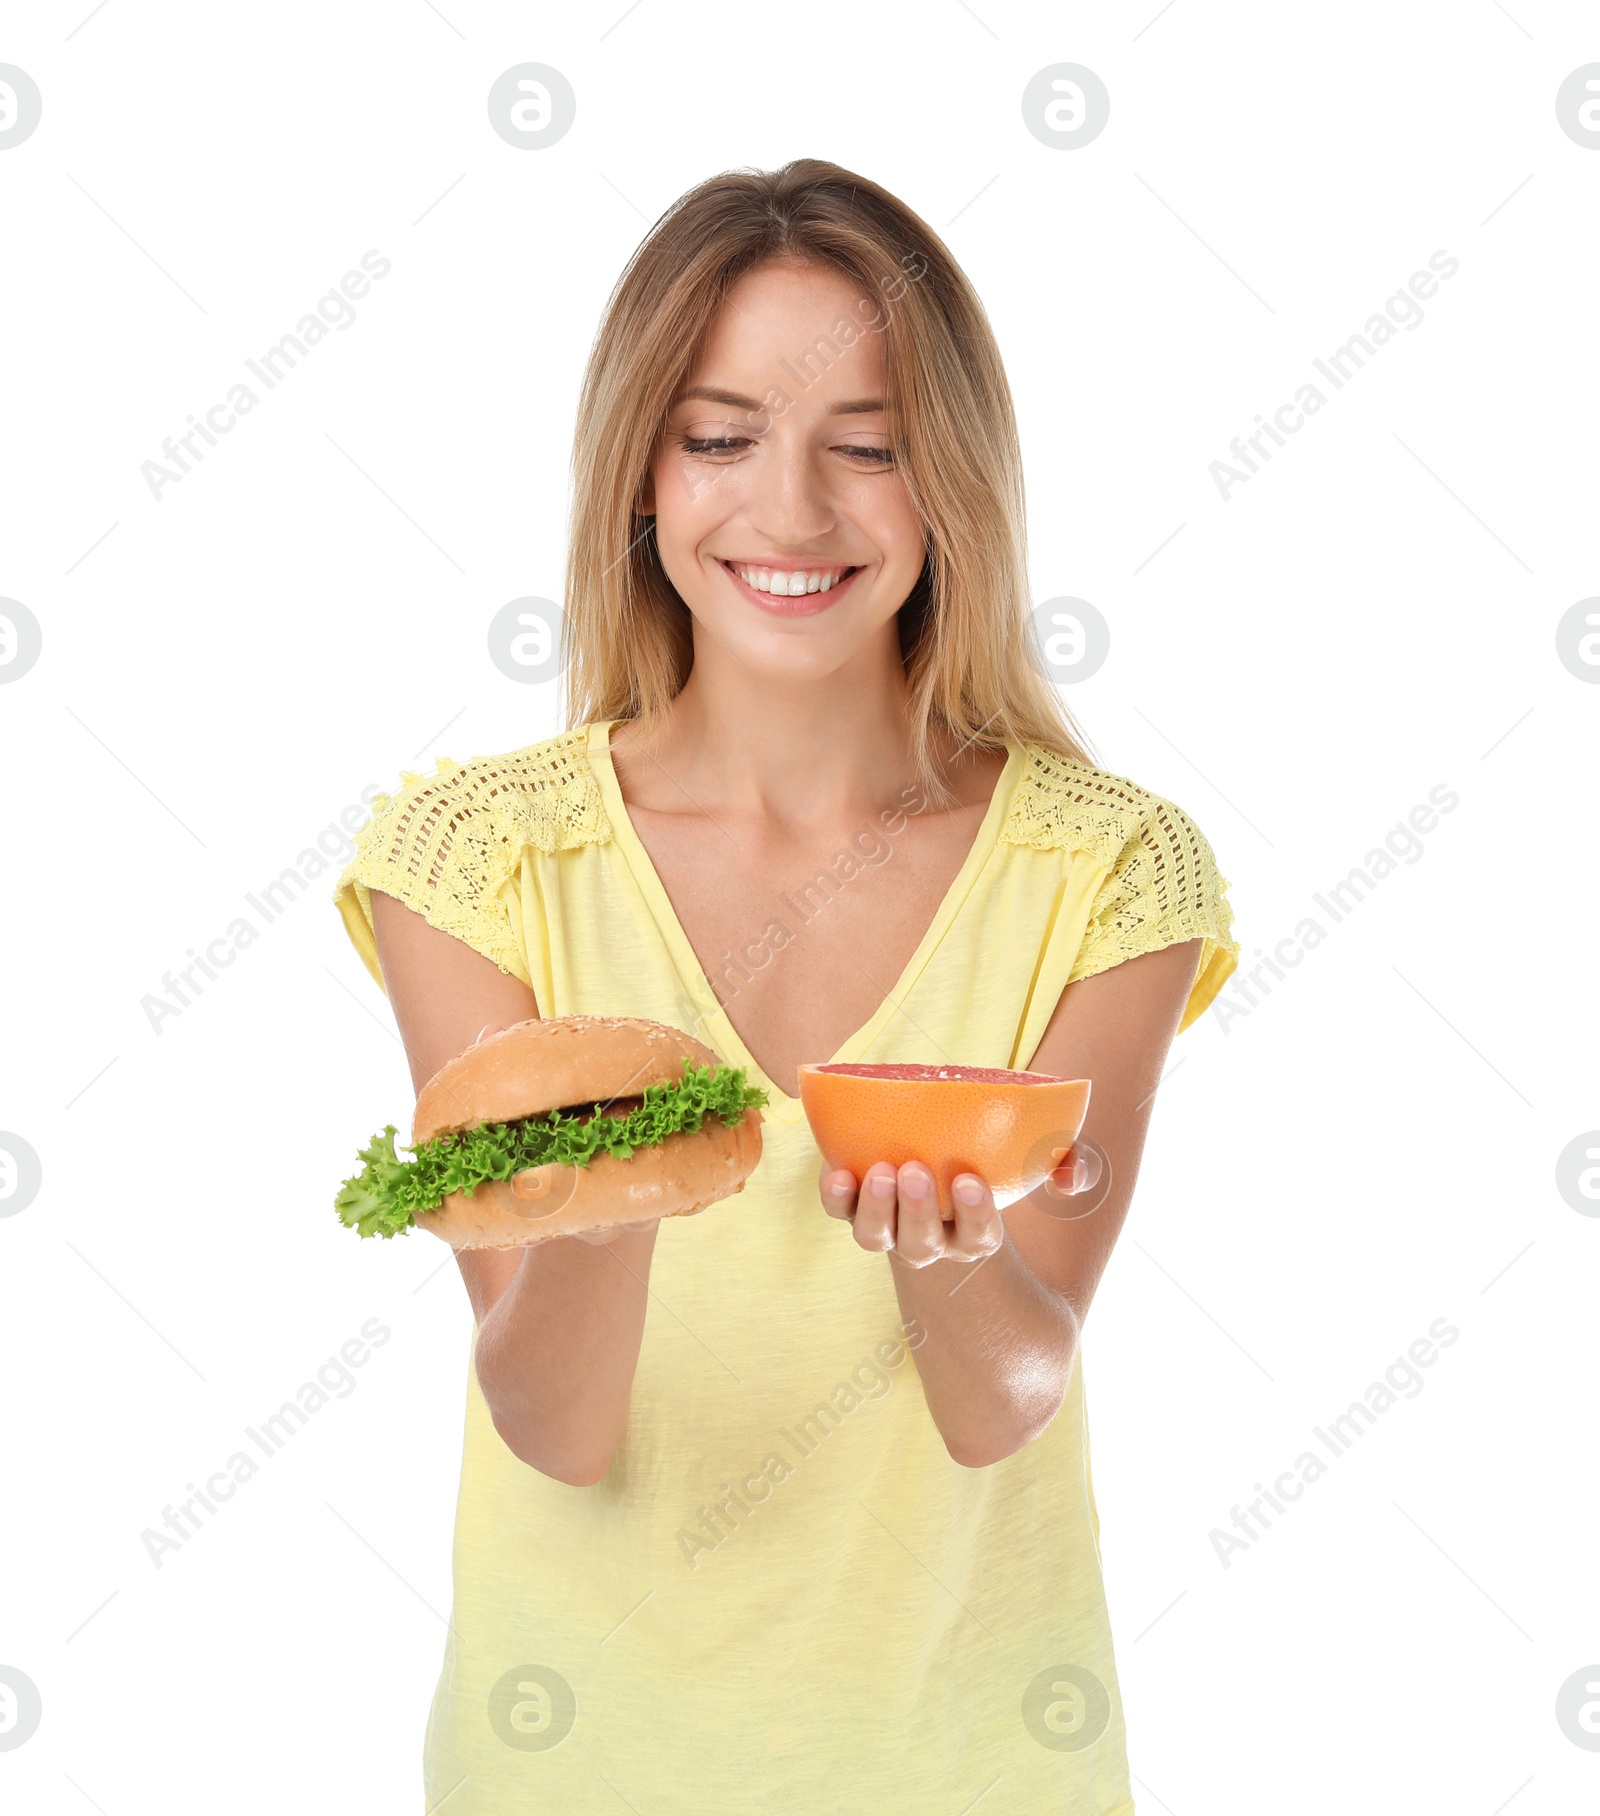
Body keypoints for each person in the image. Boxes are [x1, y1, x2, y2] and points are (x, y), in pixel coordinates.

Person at [332, 157, 1239, 1815]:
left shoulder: (1109, 869)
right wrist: (600, 1202)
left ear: (950, 480)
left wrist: (950, 1263)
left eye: (869, 448)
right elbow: (554, 1423)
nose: (794, 514)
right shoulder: (474, 860)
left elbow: (1006, 1399)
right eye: (721, 436)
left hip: (970, 1765)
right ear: (641, 473)